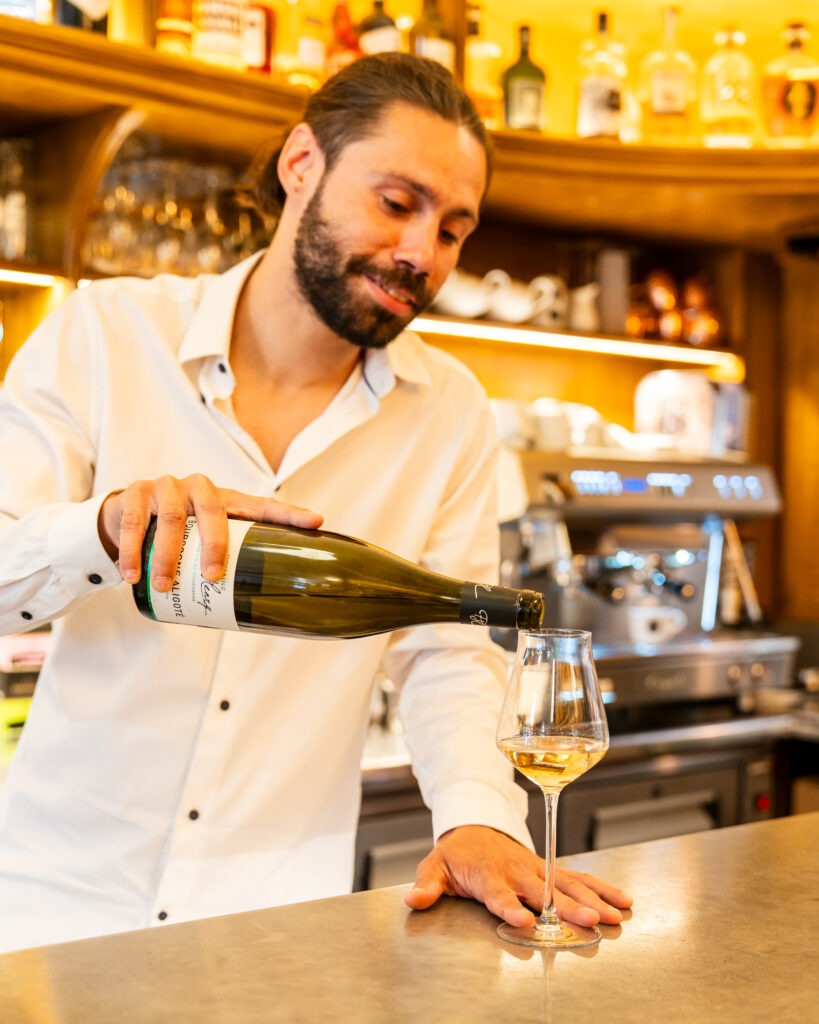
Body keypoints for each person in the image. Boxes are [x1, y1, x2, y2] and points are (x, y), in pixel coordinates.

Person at [0, 53, 631, 952]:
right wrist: (101, 531)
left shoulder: (448, 410)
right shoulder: (105, 334)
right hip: (55, 908)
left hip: (275, 923)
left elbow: (444, 649)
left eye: (454, 229)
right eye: (396, 202)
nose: (423, 253)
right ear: (302, 165)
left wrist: (478, 818)